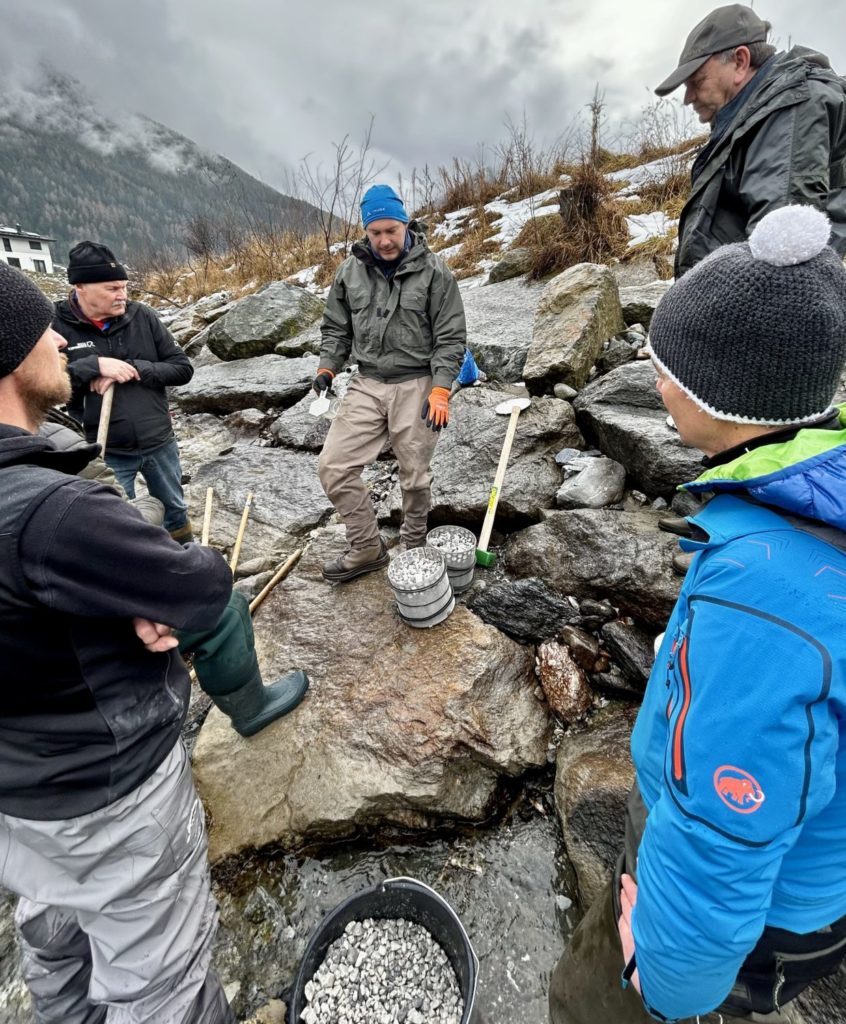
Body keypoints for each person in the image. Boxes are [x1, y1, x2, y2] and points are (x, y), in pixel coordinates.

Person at [549, 205, 846, 1023]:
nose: (654, 378)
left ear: (730, 394)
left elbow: (719, 845)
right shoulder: (822, 484)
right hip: (815, 879)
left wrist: (662, 980)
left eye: (668, 366)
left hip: (756, 922)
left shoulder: (760, 600)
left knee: (590, 1001)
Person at [0, 261, 308, 1022]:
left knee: (56, 943)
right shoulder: (49, 511)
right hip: (107, 799)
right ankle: (250, 703)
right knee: (161, 985)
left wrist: (104, 598)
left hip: (22, 800)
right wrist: (142, 577)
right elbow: (200, 586)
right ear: (10, 358)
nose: (59, 347)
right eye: (44, 331)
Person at [315, 184, 466, 582]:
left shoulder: (435, 272)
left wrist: (441, 387)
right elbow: (335, 328)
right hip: (367, 382)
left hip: (418, 383)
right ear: (365, 231)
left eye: (391, 231)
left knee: (414, 475)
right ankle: (366, 546)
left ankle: (413, 544)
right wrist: (327, 367)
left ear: (405, 224)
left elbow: (451, 338)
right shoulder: (349, 271)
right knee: (333, 466)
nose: (384, 240)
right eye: (375, 232)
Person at [655, 4, 846, 280]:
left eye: (696, 80)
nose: (688, 97)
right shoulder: (751, 116)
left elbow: (781, 263)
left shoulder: (787, 110)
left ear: (740, 62)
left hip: (758, 310)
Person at [53, 240, 196, 542]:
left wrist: (130, 369)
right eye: (112, 289)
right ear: (81, 287)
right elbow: (46, 384)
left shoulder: (140, 316)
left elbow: (182, 369)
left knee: (174, 509)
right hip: (103, 450)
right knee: (117, 522)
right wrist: (92, 366)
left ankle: (184, 561)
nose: (122, 296)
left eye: (123, 287)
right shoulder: (56, 326)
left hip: (158, 439)